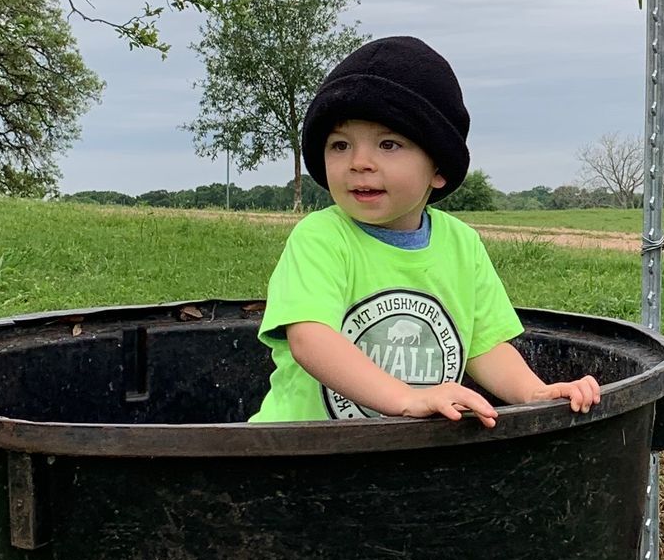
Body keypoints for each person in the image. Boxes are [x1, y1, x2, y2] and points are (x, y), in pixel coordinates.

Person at [249, 35, 602, 426]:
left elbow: (484, 347)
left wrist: (533, 392)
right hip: (299, 459)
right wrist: (405, 398)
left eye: (388, 144)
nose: (359, 162)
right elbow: (310, 339)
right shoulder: (321, 238)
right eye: (339, 145)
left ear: (438, 169)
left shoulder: (461, 245)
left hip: (408, 459)